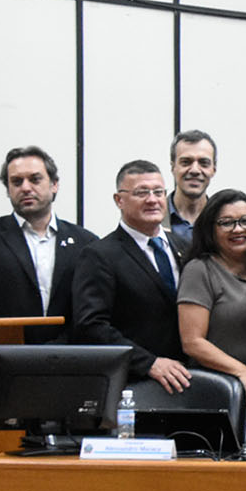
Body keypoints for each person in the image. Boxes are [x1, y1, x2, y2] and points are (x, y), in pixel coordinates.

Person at [0, 145, 97, 340]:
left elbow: (90, 310)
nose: (25, 188)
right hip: (4, 356)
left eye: (35, 179)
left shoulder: (86, 242)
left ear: (54, 184)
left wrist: (58, 349)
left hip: (70, 357)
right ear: (8, 189)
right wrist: (16, 349)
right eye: (16, 182)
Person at [69, 160, 189, 389]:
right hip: (133, 382)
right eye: (141, 192)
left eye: (158, 192)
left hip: (187, 377)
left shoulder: (184, 247)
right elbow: (90, 326)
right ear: (119, 200)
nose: (152, 199)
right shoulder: (99, 255)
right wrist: (148, 363)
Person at [177, 189, 246, 426]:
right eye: (226, 223)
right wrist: (243, 373)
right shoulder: (200, 270)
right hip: (218, 393)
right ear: (211, 229)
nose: (238, 229)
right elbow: (192, 342)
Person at [167, 130, 217, 246]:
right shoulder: (152, 219)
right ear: (173, 167)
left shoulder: (223, 220)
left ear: (213, 169)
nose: (195, 170)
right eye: (186, 162)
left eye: (204, 163)